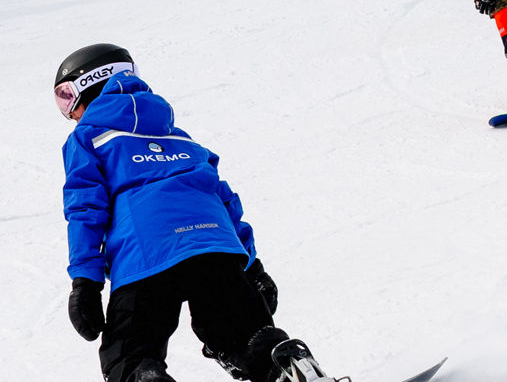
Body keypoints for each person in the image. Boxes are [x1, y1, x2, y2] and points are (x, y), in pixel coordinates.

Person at [53, 43, 324, 382]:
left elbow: (85, 207)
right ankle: (281, 364)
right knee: (241, 335)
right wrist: (251, 266)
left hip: (147, 253)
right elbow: (223, 198)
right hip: (215, 247)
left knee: (130, 354)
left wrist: (86, 283)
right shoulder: (179, 136)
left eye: (67, 98)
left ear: (90, 84)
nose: (69, 112)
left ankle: (144, 377)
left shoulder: (88, 137)